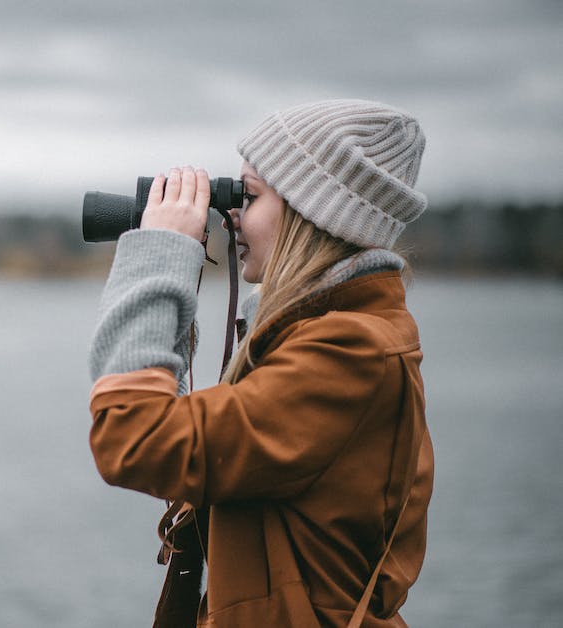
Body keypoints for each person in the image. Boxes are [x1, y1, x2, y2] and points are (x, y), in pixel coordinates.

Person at [87, 99, 434, 627]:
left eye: (247, 196)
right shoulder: (331, 338)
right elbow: (191, 463)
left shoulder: (348, 353)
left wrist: (159, 255)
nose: (231, 215)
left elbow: (133, 439)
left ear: (311, 212)